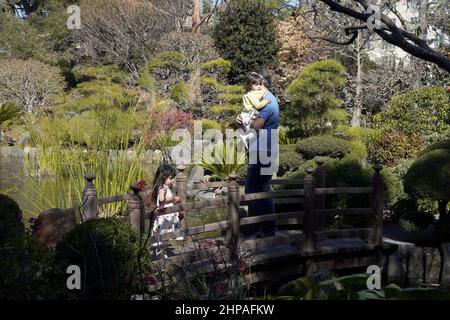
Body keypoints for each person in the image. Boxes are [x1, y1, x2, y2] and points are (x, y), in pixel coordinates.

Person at [237, 70, 279, 237]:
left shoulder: (268, 104)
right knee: (263, 188)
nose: (255, 88)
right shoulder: (262, 101)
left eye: (259, 85)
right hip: (263, 149)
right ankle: (266, 229)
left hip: (263, 150)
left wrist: (246, 120)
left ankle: (260, 229)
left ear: (264, 86)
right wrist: (241, 118)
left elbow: (256, 125)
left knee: (253, 189)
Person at [239, 72, 271, 148]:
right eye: (255, 84)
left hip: (248, 116)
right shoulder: (251, 95)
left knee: (256, 133)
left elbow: (261, 93)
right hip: (248, 116)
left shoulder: (254, 93)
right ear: (249, 85)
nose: (258, 86)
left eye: (259, 84)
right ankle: (245, 139)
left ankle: (245, 139)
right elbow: (258, 105)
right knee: (257, 132)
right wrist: (266, 101)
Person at [151, 164, 183, 236]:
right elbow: (162, 199)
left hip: (168, 212)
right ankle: (163, 243)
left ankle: (166, 243)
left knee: (167, 229)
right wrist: (174, 198)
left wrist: (174, 200)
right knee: (163, 230)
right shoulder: (162, 188)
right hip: (165, 214)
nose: (173, 180)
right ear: (163, 177)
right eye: (170, 178)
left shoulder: (165, 187)